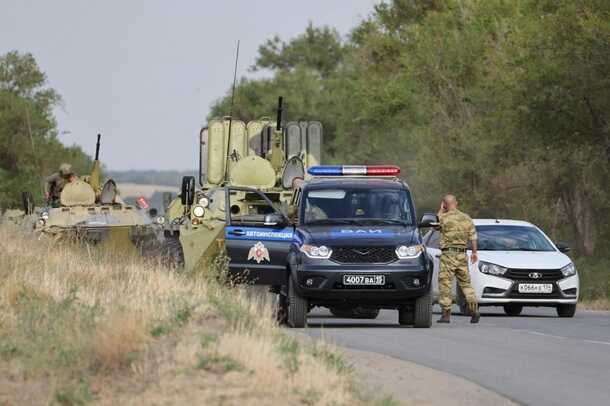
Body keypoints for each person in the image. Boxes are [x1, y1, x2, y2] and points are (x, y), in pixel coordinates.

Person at [437, 194, 480, 324]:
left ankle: (446, 314)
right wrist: (474, 252)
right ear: (456, 203)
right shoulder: (466, 218)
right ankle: (474, 311)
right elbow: (473, 237)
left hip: (448, 254)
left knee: (445, 284)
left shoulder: (443, 217)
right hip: (462, 255)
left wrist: (440, 210)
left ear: (445, 204)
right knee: (466, 284)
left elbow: (436, 226)